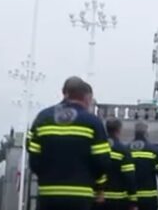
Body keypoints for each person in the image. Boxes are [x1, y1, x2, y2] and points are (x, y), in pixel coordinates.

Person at [28, 76, 111, 210]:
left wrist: (46, 176)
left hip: (48, 194)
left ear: (64, 93)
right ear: (87, 97)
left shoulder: (42, 118)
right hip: (80, 194)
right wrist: (98, 186)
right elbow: (102, 161)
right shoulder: (93, 122)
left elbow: (33, 157)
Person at [100, 118, 137, 210]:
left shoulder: (99, 147)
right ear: (119, 130)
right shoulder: (123, 150)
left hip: (98, 197)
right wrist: (133, 200)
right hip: (117, 199)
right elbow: (129, 176)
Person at [128, 122, 158, 210]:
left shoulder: (126, 149)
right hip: (149, 197)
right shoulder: (154, 150)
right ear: (146, 133)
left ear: (134, 132)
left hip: (130, 196)